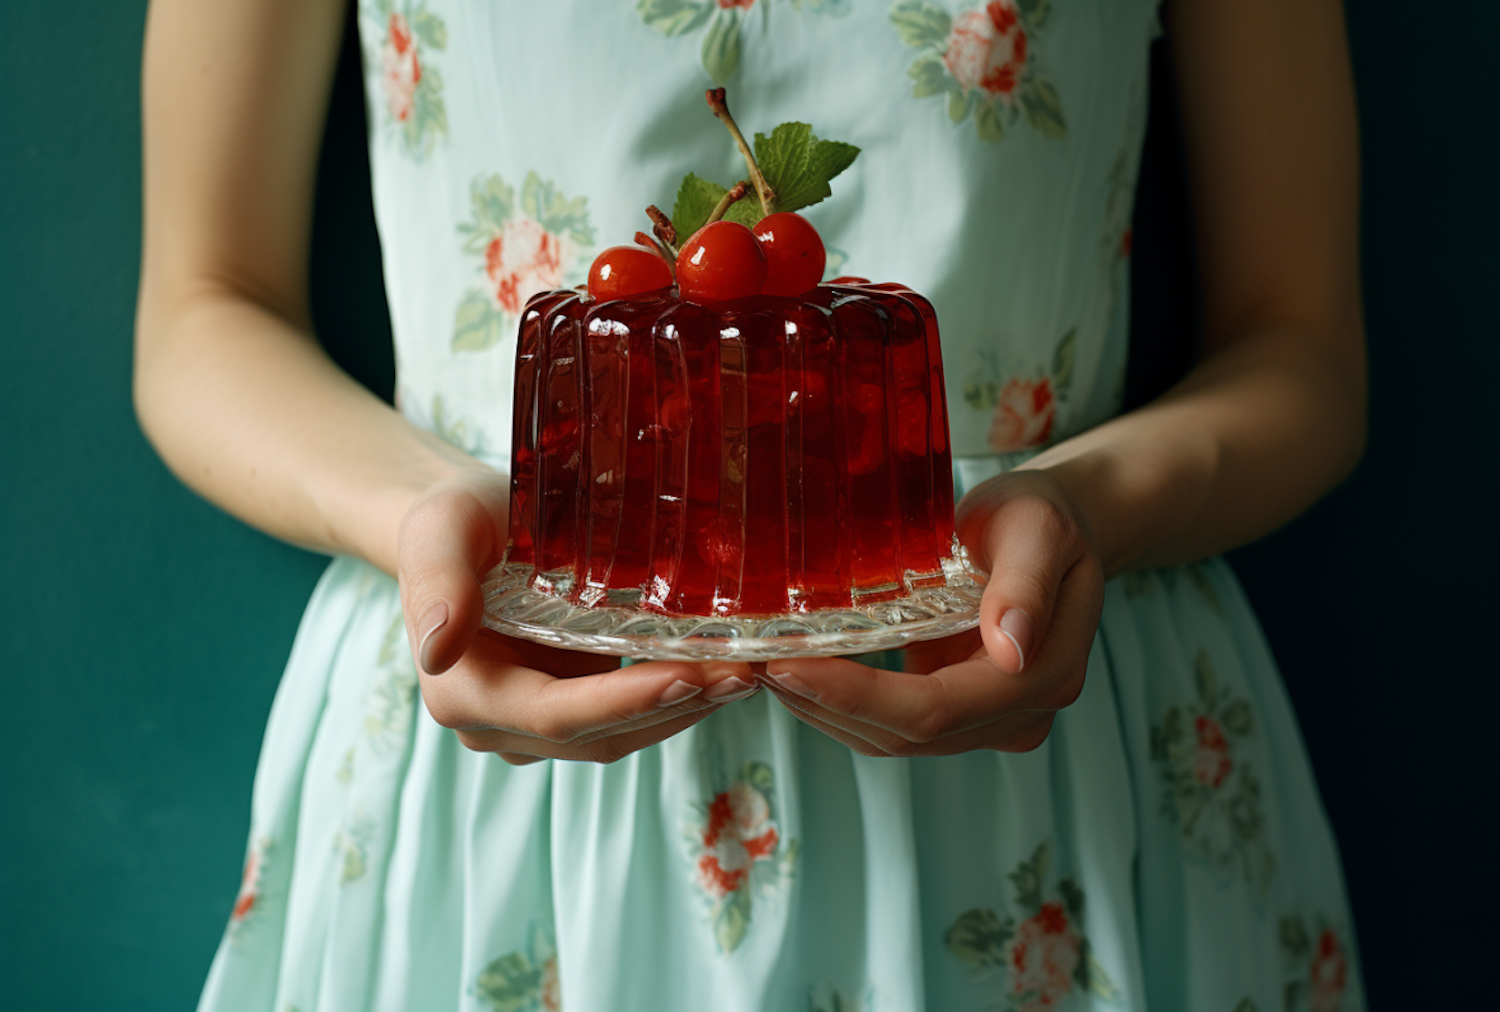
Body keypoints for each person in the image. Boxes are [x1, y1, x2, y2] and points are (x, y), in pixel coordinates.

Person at [136, 0, 1367, 1008]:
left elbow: (1299, 342)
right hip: (499, 730)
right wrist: (424, 514)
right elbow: (204, 303)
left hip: (1049, 727)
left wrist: (1085, 502)